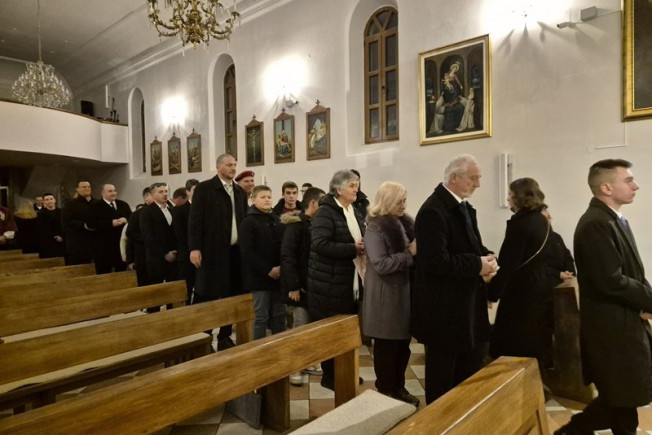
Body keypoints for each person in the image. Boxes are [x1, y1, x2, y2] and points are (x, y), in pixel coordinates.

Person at [556, 159, 652, 435]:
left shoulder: (612, 219)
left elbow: (634, 273)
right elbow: (611, 280)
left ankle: (569, 432)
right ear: (606, 188)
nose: (636, 186)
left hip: (624, 323)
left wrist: (647, 301)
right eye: (629, 180)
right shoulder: (595, 224)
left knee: (619, 399)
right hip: (612, 328)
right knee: (621, 400)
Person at [412, 154, 498, 404]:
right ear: (454, 178)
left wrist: (488, 258)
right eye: (473, 178)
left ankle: (461, 417)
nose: (478, 184)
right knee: (443, 378)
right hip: (444, 310)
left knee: (467, 371)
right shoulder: (433, 211)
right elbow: (435, 261)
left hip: (465, 305)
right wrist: (477, 265)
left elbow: (471, 247)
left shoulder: (463, 207)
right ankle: (439, 421)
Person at [488, 178, 574, 374]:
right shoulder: (541, 221)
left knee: (515, 348)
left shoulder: (521, 224)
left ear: (519, 196)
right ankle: (535, 383)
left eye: (510, 194)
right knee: (535, 344)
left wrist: (492, 293)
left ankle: (517, 387)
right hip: (541, 291)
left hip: (523, 295)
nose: (508, 198)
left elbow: (508, 264)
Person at [361, 181, 419, 406]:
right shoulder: (375, 228)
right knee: (387, 348)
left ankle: (399, 387)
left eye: (405, 200)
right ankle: (385, 391)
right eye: (399, 201)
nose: (403, 205)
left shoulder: (405, 223)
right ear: (387, 201)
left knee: (403, 347)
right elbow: (381, 264)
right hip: (384, 298)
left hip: (403, 296)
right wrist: (410, 255)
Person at [308, 169, 365, 391]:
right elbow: (320, 244)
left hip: (348, 280)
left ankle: (345, 372)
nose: (356, 189)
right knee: (332, 333)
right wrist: (352, 248)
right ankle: (330, 376)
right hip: (328, 283)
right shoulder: (326, 212)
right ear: (338, 189)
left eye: (356, 185)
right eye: (352, 185)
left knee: (346, 330)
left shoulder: (353, 210)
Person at [188, 154, 248, 351]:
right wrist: (194, 248)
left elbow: (244, 220)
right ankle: (203, 338)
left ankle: (224, 336)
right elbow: (195, 220)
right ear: (218, 167)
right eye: (229, 165)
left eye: (235, 164)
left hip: (235, 253)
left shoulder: (239, 191)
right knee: (208, 295)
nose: (233, 168)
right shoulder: (205, 189)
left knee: (231, 296)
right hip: (212, 252)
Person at [281, 186, 326, 385]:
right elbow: (288, 256)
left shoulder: (315, 224)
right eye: (322, 203)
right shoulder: (296, 225)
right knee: (300, 328)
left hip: (313, 285)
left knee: (311, 329)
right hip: (299, 286)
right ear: (314, 203)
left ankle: (308, 362)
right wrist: (293, 286)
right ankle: (294, 368)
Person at [240, 185, 286, 340]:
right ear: (253, 200)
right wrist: (268, 270)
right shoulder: (248, 222)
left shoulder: (277, 219)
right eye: (263, 197)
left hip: (278, 275)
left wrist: (281, 267)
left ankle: (280, 347)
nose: (267, 200)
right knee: (261, 317)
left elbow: (283, 246)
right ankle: (259, 350)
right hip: (259, 277)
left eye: (269, 197)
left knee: (279, 315)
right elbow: (247, 252)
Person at [87, 183, 131, 274]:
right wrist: (110, 223)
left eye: (114, 191)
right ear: (103, 193)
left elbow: (132, 218)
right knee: (104, 273)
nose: (113, 193)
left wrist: (126, 219)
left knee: (122, 274)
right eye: (110, 191)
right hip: (103, 248)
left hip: (120, 247)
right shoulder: (95, 206)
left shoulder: (123, 204)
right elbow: (90, 224)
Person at [140, 183, 178, 287]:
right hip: (156, 258)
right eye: (161, 192)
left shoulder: (173, 209)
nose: (165, 194)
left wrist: (175, 251)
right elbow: (148, 236)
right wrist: (165, 253)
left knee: (173, 288)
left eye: (166, 191)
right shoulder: (147, 212)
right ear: (152, 195)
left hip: (174, 256)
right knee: (157, 289)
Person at [172, 178, 200, 304]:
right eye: (195, 190)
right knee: (186, 290)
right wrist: (195, 247)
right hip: (186, 254)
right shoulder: (179, 210)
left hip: (204, 255)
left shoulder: (207, 208)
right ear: (188, 192)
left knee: (202, 291)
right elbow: (180, 234)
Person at [61, 181, 96, 265]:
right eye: (84, 187)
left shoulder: (96, 203)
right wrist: (83, 225)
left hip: (95, 240)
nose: (87, 188)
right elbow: (67, 220)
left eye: (88, 186)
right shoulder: (70, 204)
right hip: (79, 241)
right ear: (77, 189)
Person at [126, 187, 154, 286]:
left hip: (157, 255)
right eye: (152, 195)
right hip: (142, 254)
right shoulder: (137, 214)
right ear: (146, 198)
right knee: (144, 283)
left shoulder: (161, 211)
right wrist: (130, 260)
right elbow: (130, 234)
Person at [37, 193, 65, 258]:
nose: (49, 201)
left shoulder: (62, 212)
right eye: (47, 200)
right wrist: (54, 237)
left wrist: (62, 236)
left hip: (62, 241)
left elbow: (65, 225)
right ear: (44, 202)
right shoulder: (41, 214)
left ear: (54, 200)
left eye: (51, 199)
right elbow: (42, 229)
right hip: (48, 243)